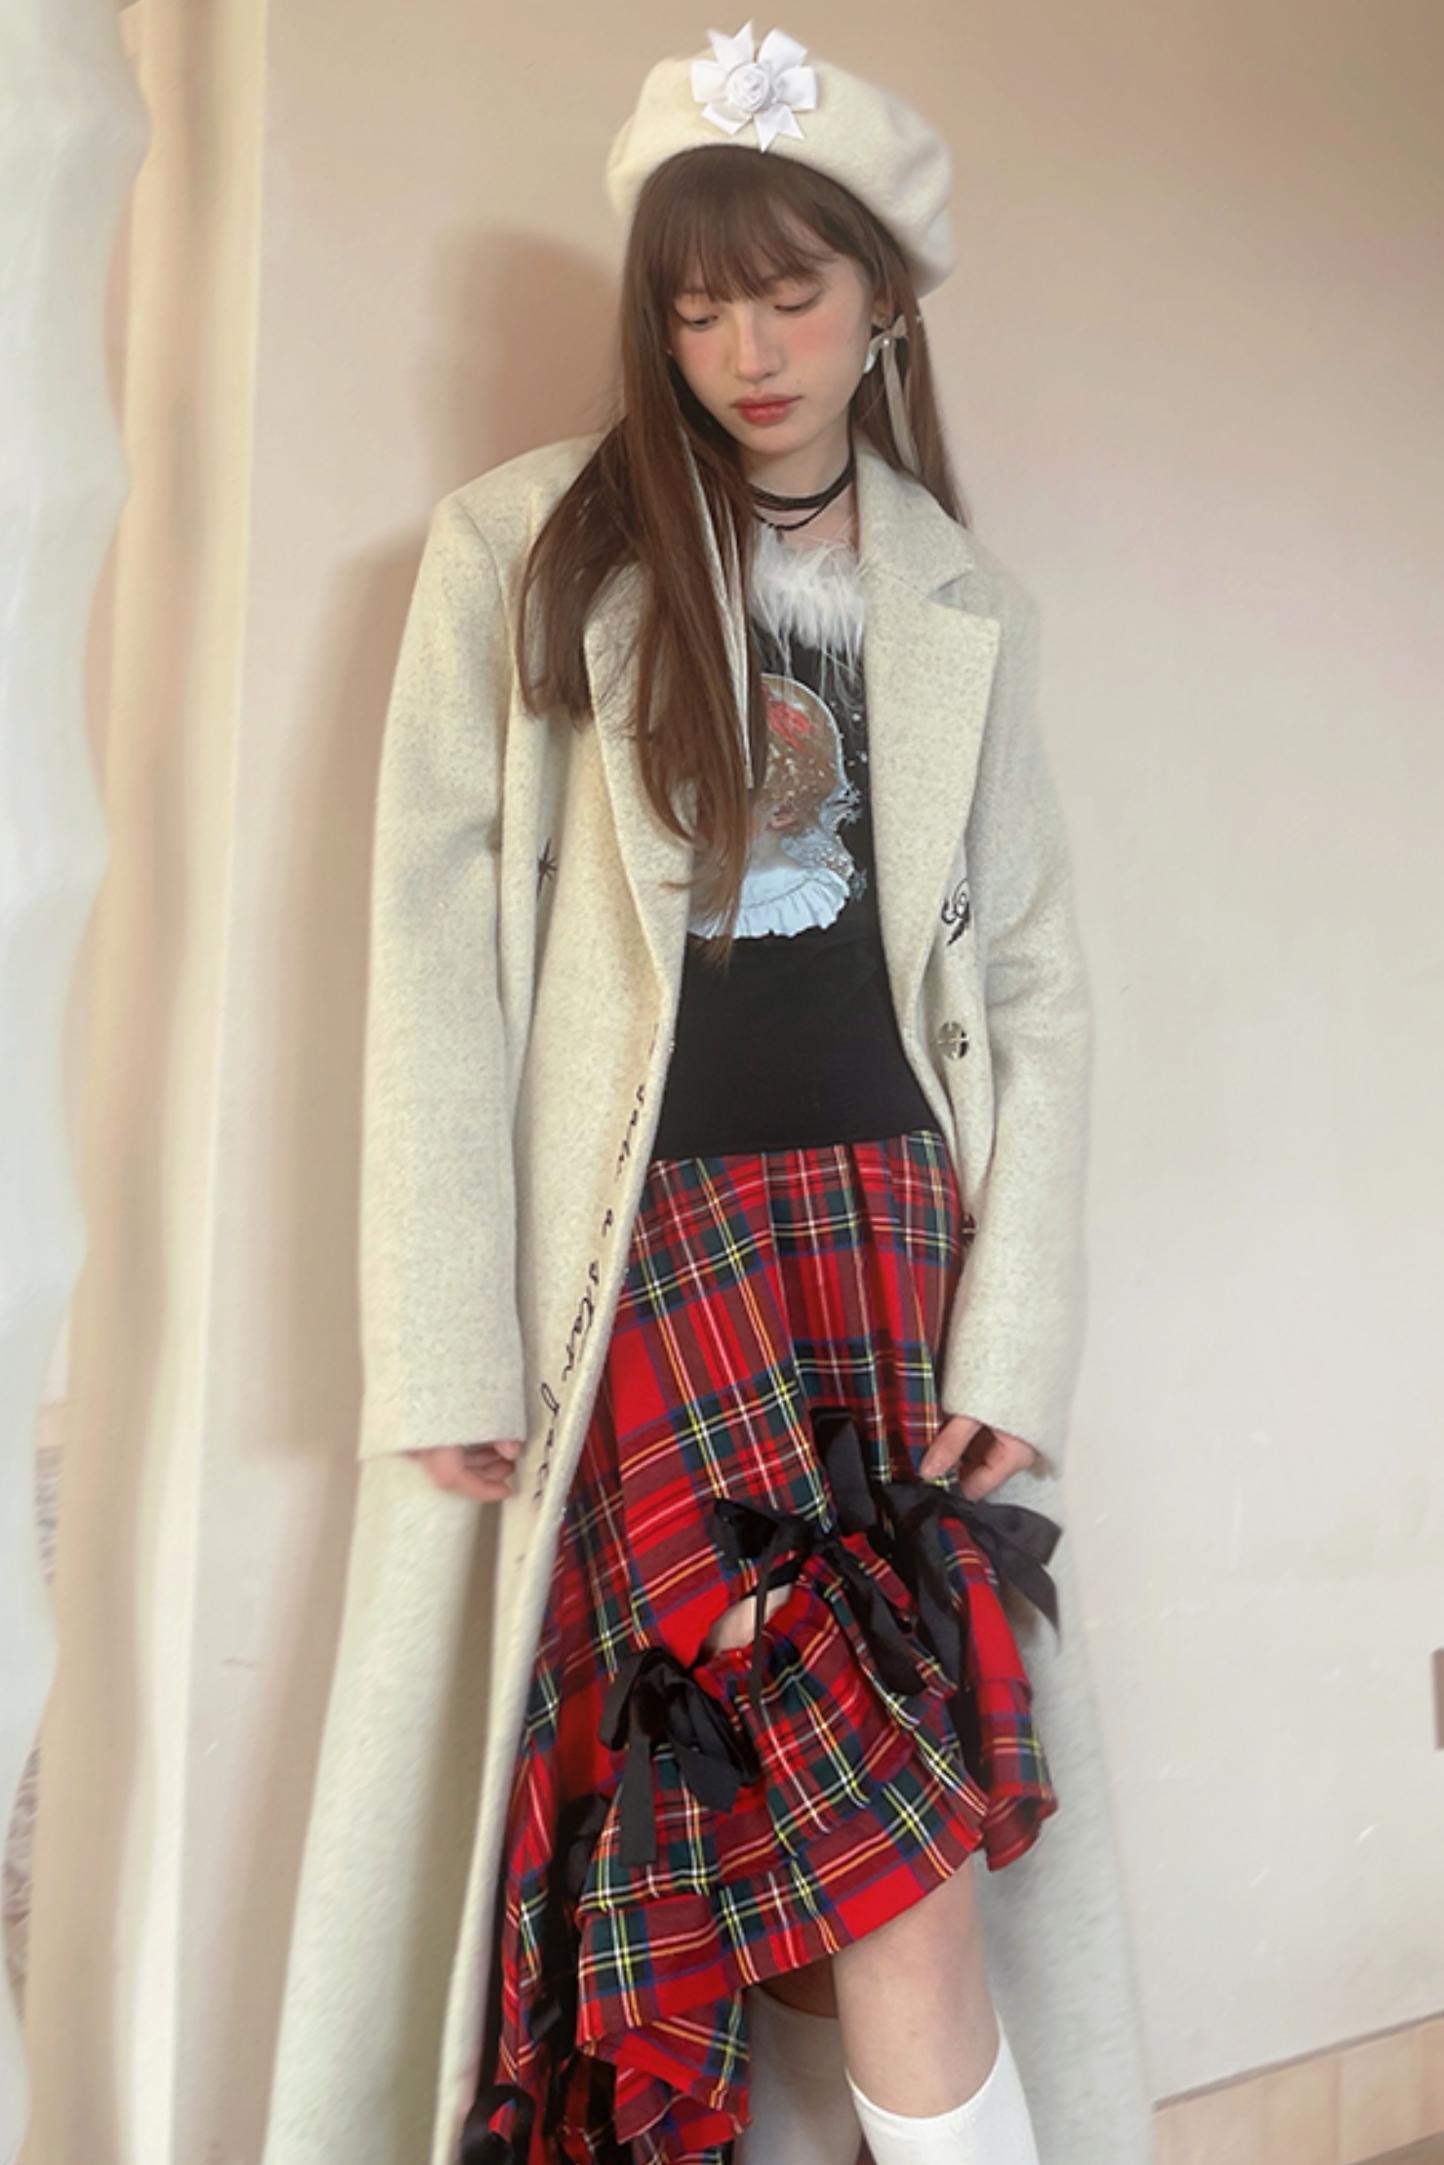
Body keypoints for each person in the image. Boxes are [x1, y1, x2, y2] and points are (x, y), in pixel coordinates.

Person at [374, 23, 1108, 2165]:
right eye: (698, 305)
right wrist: (442, 1328)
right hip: (654, 1263)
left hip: (887, 1259)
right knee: (821, 1849)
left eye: (791, 292)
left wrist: (1014, 1334)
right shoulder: (527, 545)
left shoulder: (959, 597)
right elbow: (432, 957)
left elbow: (1034, 988)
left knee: (891, 1856)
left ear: (884, 298)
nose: (747, 351)